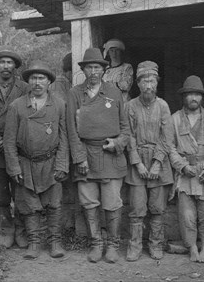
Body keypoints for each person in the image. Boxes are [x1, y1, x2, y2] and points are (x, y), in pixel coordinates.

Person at [66, 48, 130, 263]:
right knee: (89, 202)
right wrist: (80, 157)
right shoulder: (75, 93)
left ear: (104, 70)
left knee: (112, 202)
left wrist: (118, 142)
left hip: (110, 155)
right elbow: (71, 130)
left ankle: (112, 244)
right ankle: (96, 243)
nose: (93, 71)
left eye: (97, 67)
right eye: (89, 67)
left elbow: (126, 128)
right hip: (86, 154)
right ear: (83, 70)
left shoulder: (114, 92)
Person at [4, 61, 69, 259]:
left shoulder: (58, 104)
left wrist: (61, 164)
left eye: (42, 78)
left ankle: (55, 242)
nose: (37, 82)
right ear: (28, 82)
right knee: (29, 205)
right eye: (33, 78)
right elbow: (8, 141)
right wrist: (14, 167)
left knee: (54, 204)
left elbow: (65, 137)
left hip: (50, 162)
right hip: (26, 163)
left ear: (49, 81)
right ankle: (34, 242)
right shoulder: (17, 106)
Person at [124, 61, 174, 262]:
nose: (148, 85)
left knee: (157, 208)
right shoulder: (130, 106)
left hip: (158, 164)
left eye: (151, 80)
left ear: (156, 83)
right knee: (136, 208)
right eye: (144, 80)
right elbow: (128, 136)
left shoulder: (162, 106)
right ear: (138, 83)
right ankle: (134, 246)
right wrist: (138, 163)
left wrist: (156, 162)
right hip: (137, 164)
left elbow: (167, 136)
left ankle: (155, 245)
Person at [169, 75, 204, 263]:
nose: (193, 98)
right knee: (187, 215)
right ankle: (192, 247)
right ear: (184, 97)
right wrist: (182, 167)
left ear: (202, 97)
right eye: (189, 94)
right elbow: (171, 147)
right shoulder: (174, 119)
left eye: (197, 94)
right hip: (185, 174)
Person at [0, 46, 30, 249]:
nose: (5, 66)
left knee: (21, 192)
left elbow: (30, 117)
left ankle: (21, 229)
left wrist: (13, 142)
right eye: (1, 62)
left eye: (9, 62)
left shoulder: (25, 89)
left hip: (19, 149)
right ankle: (6, 228)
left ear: (15, 66)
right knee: (0, 195)